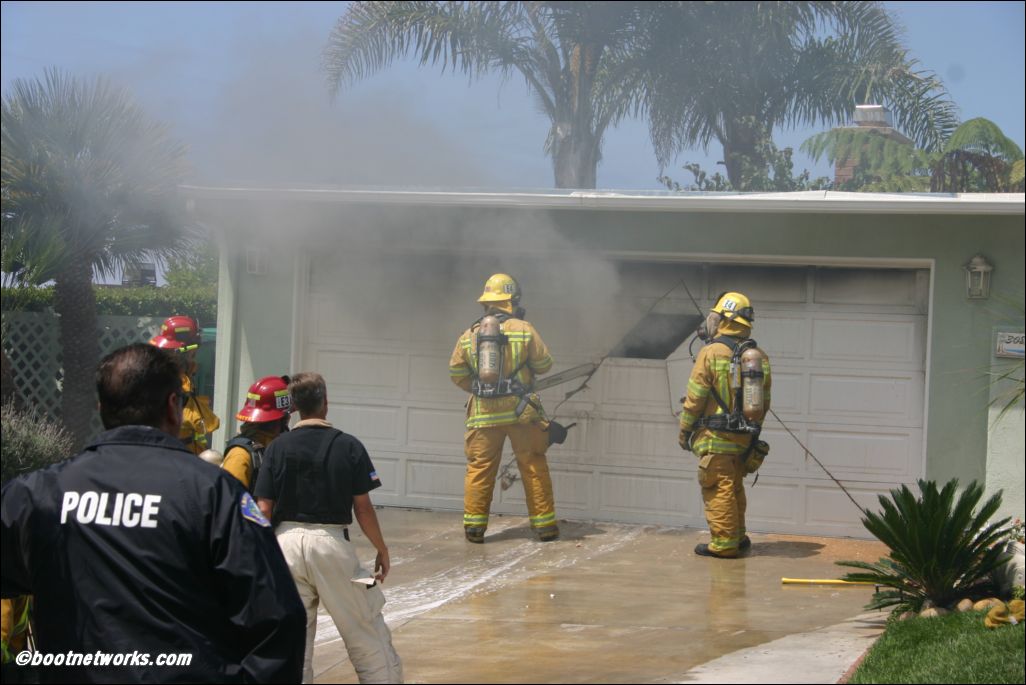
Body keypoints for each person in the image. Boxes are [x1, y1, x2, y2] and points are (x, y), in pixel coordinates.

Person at [0, 343, 305, 682]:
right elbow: (278, 618)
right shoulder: (214, 495)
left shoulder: (38, 493)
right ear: (174, 405)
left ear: (102, 407)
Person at [254, 372, 402, 685]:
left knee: (294, 641)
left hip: (284, 547)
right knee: (366, 628)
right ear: (325, 403)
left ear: (293, 407)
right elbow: (362, 508)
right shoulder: (348, 446)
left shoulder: (276, 448)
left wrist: (257, 557)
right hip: (333, 544)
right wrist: (381, 548)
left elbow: (263, 510)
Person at [448, 273, 559, 543]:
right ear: (513, 300)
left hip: (484, 416)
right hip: (522, 413)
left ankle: (474, 529)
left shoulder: (470, 334)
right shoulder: (524, 329)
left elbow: (456, 372)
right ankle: (544, 527)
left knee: (480, 468)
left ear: (486, 303)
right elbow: (545, 365)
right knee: (532, 463)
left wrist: (481, 389)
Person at [679, 292, 772, 559]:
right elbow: (764, 403)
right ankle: (739, 537)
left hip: (715, 437)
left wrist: (684, 431)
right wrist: (752, 434)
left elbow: (694, 399)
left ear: (725, 318)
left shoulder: (711, 352)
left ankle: (723, 545)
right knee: (733, 488)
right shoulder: (758, 356)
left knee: (717, 488)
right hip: (744, 438)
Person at [149, 315, 221, 455]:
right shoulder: (179, 383)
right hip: (177, 456)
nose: (194, 355)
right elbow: (204, 423)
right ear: (185, 351)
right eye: (192, 352)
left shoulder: (161, 376)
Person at [222, 375, 292, 491]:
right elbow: (231, 501)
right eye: (287, 415)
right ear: (282, 419)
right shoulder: (240, 455)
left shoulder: (275, 446)